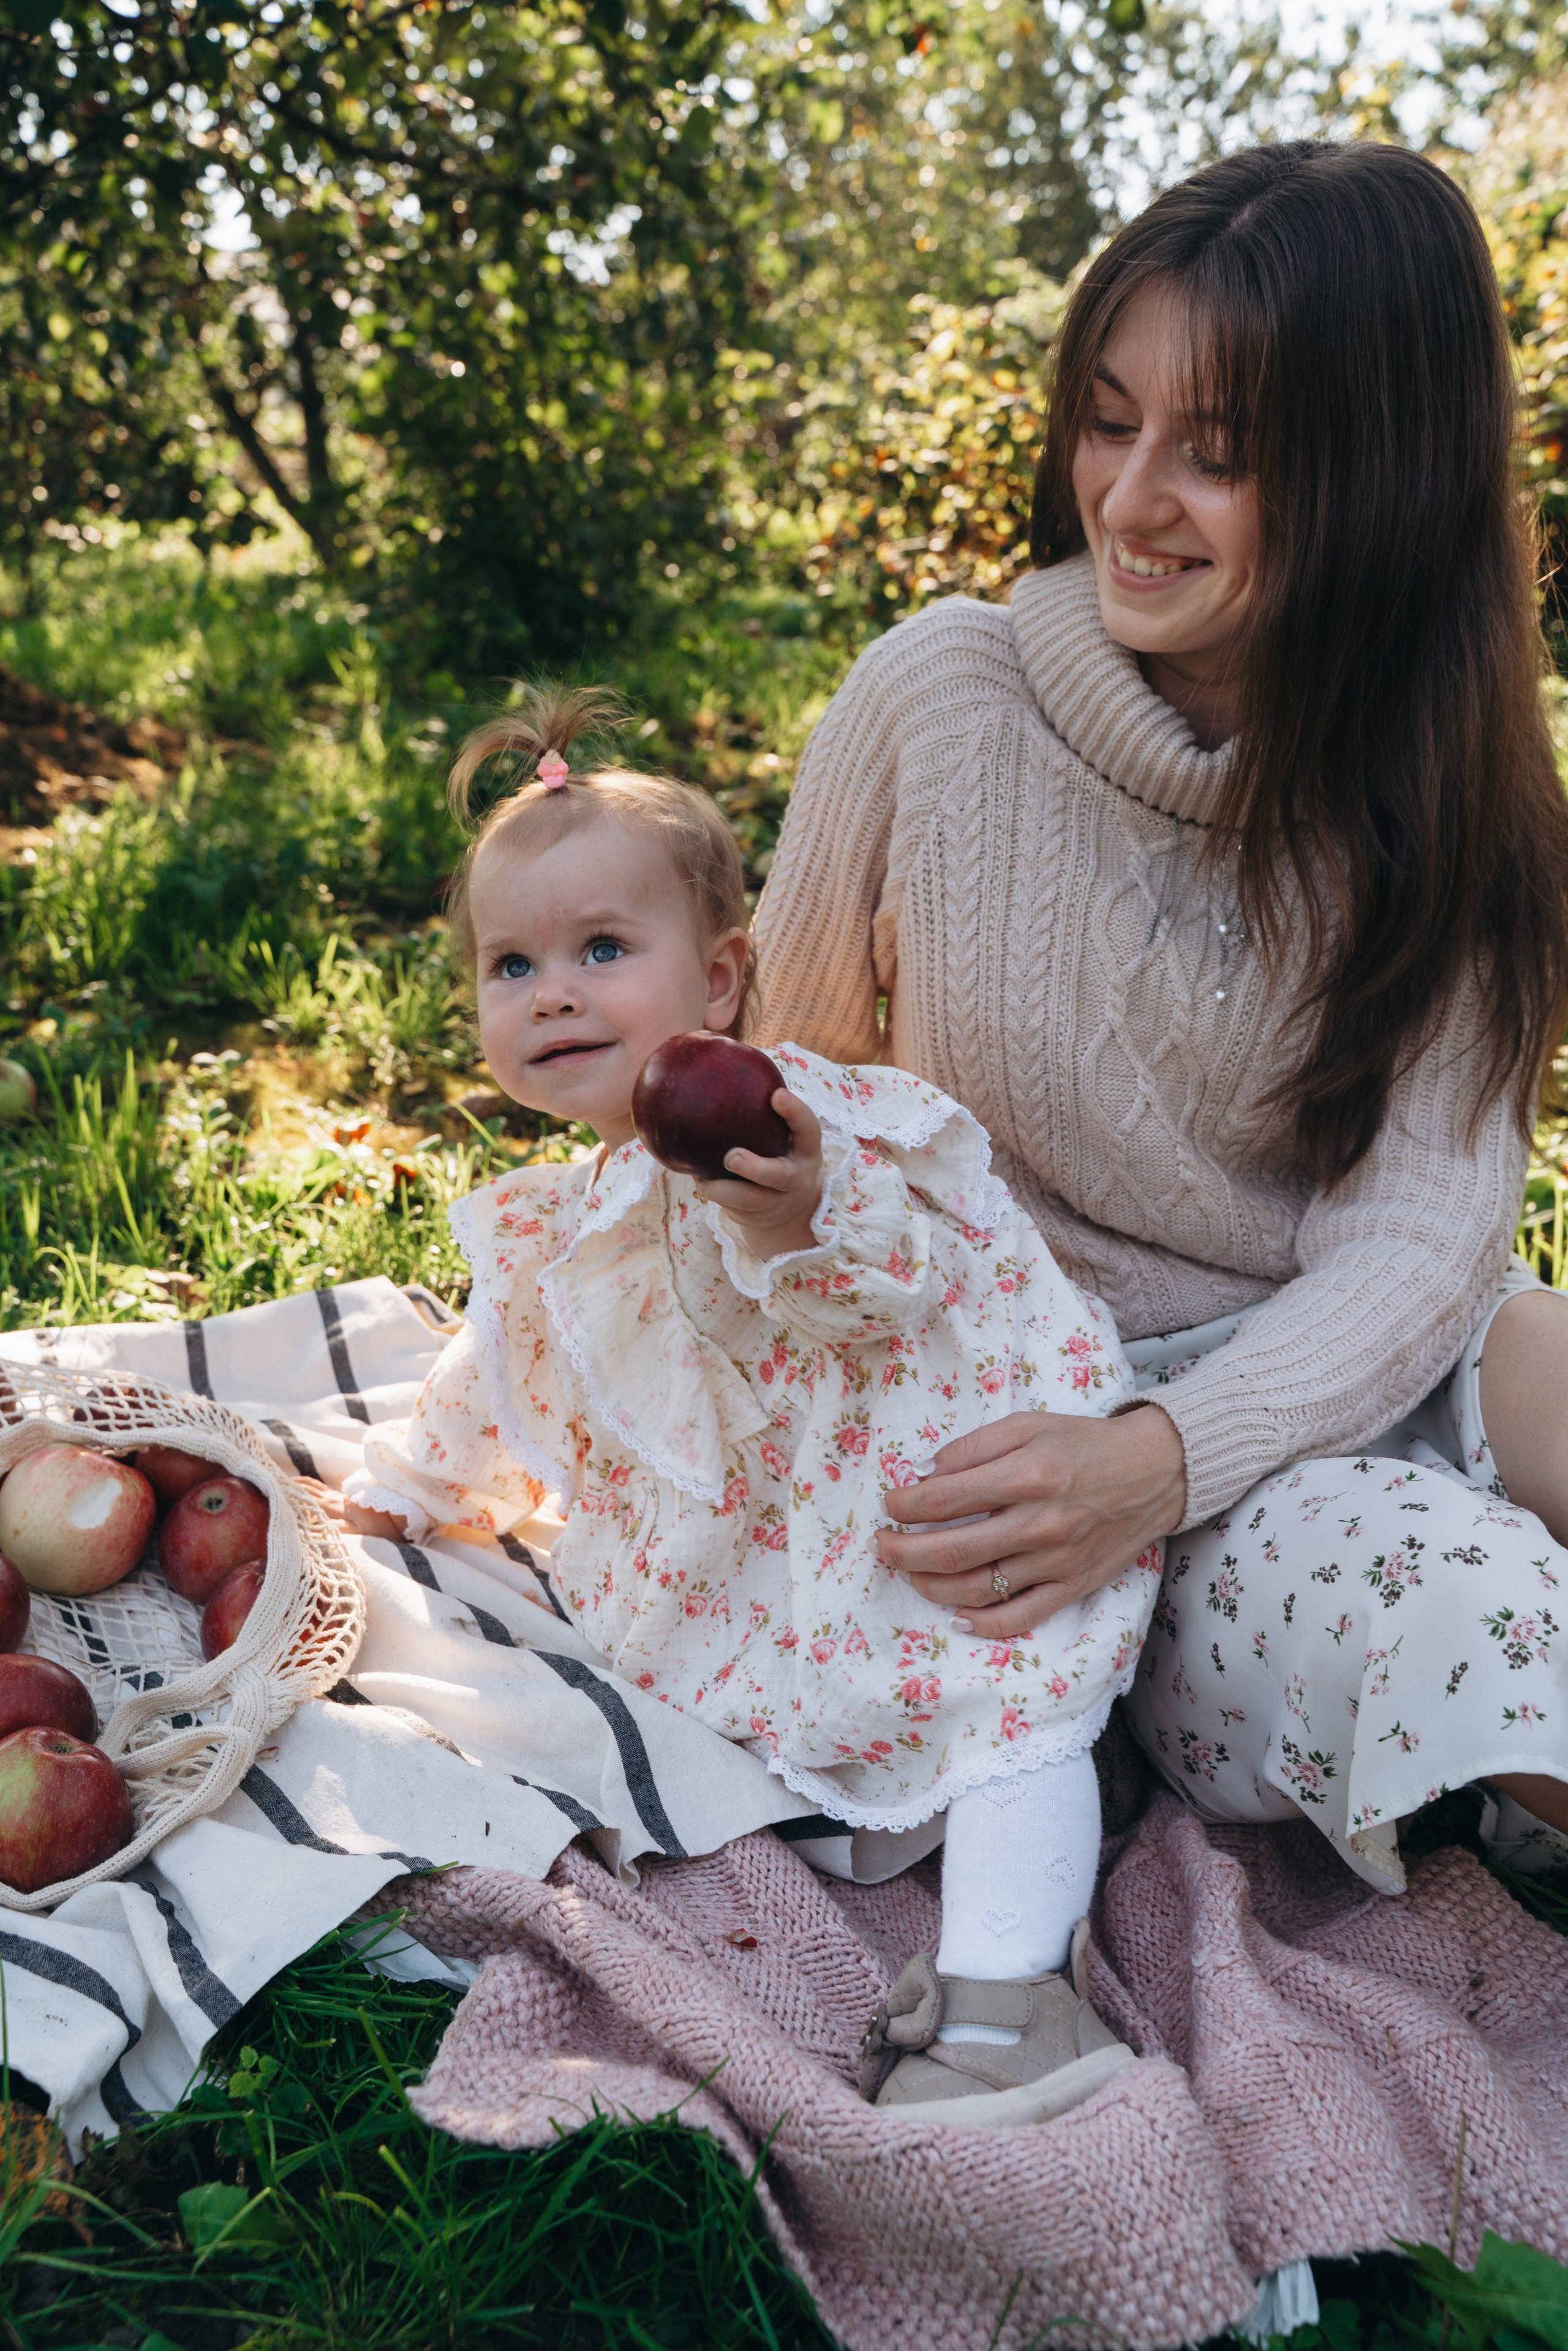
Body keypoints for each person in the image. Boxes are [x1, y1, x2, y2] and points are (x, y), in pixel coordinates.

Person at [752, 138, 1568, 1895]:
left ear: (1387, 479)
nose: (1129, 497)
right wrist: (1124, 1467)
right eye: (1109, 419)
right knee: (1468, 1610)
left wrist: (1183, 1439)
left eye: (1223, 453)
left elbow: (1425, 1235)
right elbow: (778, 1138)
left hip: (1326, 1351)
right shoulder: (934, 702)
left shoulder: (1454, 792)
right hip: (1072, 1435)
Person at [333, 687, 1162, 2123]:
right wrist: (421, 1480)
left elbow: (889, 1276)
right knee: (760, 1704)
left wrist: (790, 1219)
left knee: (1000, 1711)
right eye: (511, 963)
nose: (552, 993)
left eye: (603, 949)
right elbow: (524, 1356)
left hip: (932, 1490)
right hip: (780, 1519)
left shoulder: (794, 1130)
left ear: (718, 980)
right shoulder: (575, 1201)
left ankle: (1009, 2002)